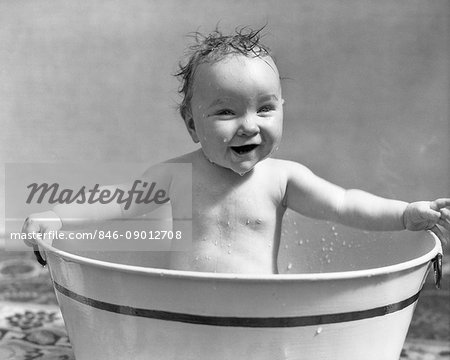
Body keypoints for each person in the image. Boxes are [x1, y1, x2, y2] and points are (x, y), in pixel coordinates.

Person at [22, 27, 450, 274]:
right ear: (192, 125)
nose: (249, 124)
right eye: (225, 111)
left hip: (255, 311)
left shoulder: (283, 179)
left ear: (282, 110)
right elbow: (117, 201)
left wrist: (404, 214)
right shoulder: (176, 175)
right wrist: (55, 215)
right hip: (178, 307)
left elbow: (345, 205)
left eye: (265, 108)